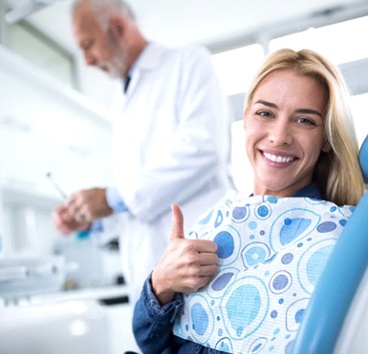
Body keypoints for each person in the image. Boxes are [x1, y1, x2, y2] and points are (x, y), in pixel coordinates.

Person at [131, 48, 365, 353]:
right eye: (265, 113)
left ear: (325, 138)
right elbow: (150, 342)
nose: (279, 136)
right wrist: (160, 284)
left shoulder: (339, 236)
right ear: (245, 120)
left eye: (305, 121)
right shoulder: (218, 221)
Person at [51, 0, 233, 349]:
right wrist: (91, 218)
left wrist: (108, 198)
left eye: (88, 45)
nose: (86, 60)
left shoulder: (187, 62)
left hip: (199, 273)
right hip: (152, 292)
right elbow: (140, 201)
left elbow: (204, 148)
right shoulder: (121, 99)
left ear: (118, 29)